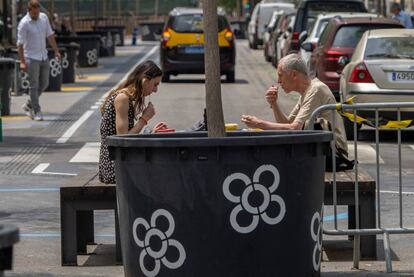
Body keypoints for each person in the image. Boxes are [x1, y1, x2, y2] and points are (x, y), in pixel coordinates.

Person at [241, 54, 348, 165]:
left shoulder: (316, 90)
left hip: (335, 155)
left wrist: (259, 124)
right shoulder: (306, 92)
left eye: (280, 75)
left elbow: (294, 128)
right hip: (324, 152)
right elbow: (287, 124)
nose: (278, 81)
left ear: (294, 75)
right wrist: (274, 104)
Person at [99, 60, 169, 184]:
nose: (155, 90)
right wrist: (144, 119)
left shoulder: (127, 97)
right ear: (145, 81)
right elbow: (123, 138)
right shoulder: (123, 98)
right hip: (115, 166)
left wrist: (150, 133)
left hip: (119, 161)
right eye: (155, 84)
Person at [17, 0, 61, 121]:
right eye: (34, 13)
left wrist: (56, 50)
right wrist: (22, 61)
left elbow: (50, 35)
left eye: (38, 12)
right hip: (31, 57)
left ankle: (29, 104)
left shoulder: (43, 18)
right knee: (34, 86)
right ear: (29, 10)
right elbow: (19, 45)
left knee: (45, 83)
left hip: (43, 56)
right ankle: (36, 111)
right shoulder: (24, 24)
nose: (36, 15)